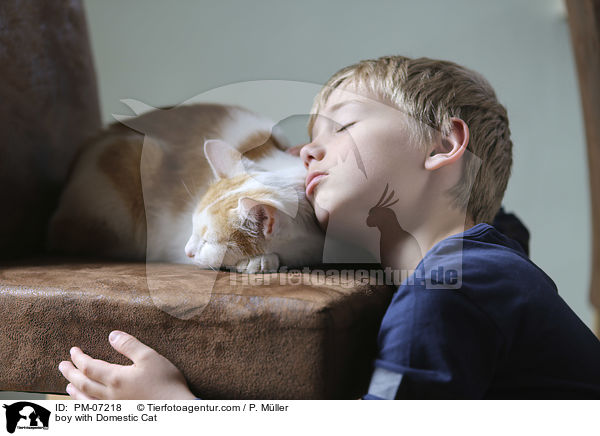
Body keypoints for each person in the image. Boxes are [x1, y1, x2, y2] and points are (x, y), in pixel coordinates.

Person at [58, 55, 600, 399]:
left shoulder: (447, 296)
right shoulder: (487, 263)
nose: (305, 150)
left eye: (341, 126)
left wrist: (177, 412)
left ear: (444, 145)